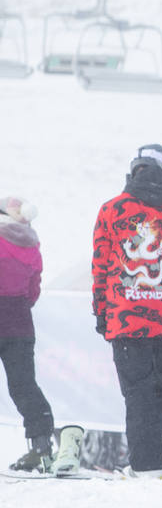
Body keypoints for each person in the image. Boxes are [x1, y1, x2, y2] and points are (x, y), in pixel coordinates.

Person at [91, 144, 162, 477]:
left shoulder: (111, 210)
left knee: (138, 393)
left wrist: (101, 311)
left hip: (127, 319)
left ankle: (147, 463)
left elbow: (100, 267)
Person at [1, 195, 56, 471]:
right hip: (20, 322)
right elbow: (33, 292)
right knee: (23, 386)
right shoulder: (33, 247)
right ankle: (42, 445)